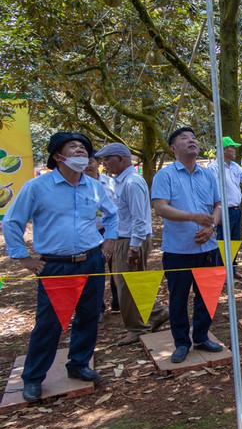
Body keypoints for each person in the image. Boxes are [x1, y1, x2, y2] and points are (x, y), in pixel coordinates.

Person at [3, 132, 117, 401]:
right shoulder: (37, 187)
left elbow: (112, 215)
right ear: (57, 156)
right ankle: (33, 377)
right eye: (73, 146)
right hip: (55, 266)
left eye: (84, 148)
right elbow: (11, 222)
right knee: (49, 323)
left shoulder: (94, 186)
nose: (81, 151)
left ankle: (79, 364)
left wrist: (109, 241)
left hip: (92, 260)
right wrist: (24, 258)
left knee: (89, 316)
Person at [151, 128, 224, 363]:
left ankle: (201, 336)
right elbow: (160, 208)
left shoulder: (208, 175)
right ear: (173, 148)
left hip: (208, 248)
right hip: (178, 250)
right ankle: (182, 343)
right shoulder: (165, 175)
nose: (191, 140)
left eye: (193, 137)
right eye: (184, 138)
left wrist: (211, 225)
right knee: (178, 299)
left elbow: (218, 205)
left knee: (207, 296)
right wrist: (193, 217)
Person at [95, 142, 167, 346]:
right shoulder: (120, 181)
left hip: (131, 240)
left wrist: (134, 247)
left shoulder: (132, 182)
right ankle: (156, 313)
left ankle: (138, 327)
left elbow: (139, 218)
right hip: (123, 238)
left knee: (127, 286)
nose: (104, 164)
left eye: (107, 160)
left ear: (120, 159)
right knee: (130, 283)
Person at [207, 136, 242, 278]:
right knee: (223, 242)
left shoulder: (235, 166)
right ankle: (221, 272)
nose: (235, 150)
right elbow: (212, 191)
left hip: (236, 209)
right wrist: (216, 213)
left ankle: (232, 268)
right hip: (224, 210)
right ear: (225, 149)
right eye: (232, 147)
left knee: (234, 240)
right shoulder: (214, 168)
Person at [84, 155, 120, 313]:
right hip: (90, 233)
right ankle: (98, 308)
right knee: (94, 270)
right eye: (84, 162)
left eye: (90, 161)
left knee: (115, 267)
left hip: (110, 230)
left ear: (98, 163)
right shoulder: (78, 185)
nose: (87, 166)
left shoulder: (110, 182)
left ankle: (117, 302)